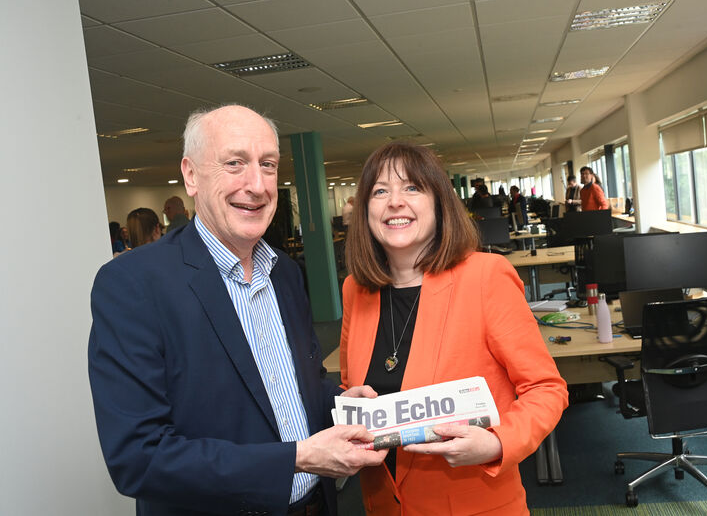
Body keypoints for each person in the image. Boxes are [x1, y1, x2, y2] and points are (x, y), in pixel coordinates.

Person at [88, 104, 386, 516]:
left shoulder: (285, 272)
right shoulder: (133, 285)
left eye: (268, 165)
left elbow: (293, 387)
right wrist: (295, 459)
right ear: (191, 175)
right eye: (235, 163)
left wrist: (338, 401)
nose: (258, 185)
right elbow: (139, 458)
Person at [340, 142, 568, 515]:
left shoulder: (485, 277)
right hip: (384, 503)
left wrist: (496, 444)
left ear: (439, 203)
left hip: (473, 503)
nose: (395, 201)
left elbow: (546, 389)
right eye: (380, 191)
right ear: (366, 210)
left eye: (412, 187)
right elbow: (354, 386)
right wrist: (346, 403)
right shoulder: (356, 290)